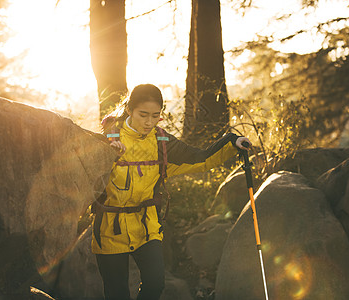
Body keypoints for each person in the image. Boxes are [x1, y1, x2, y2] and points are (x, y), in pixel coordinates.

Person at [92, 84, 251, 300]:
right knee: (116, 293)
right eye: (143, 115)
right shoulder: (109, 138)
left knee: (155, 284)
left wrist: (232, 143)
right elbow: (83, 174)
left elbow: (199, 159)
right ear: (129, 110)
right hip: (111, 228)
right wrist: (107, 156)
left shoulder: (161, 141)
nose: (149, 122)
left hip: (146, 227)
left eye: (155, 116)